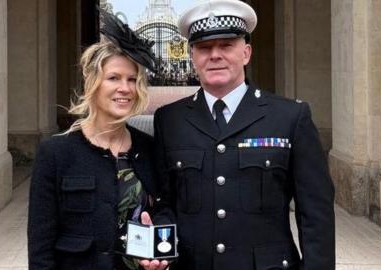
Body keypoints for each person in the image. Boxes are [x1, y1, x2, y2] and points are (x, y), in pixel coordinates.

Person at [140, 0, 335, 269]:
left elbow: (316, 213)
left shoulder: (289, 117)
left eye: (226, 45)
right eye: (205, 48)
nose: (215, 55)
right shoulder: (169, 120)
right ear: (192, 56)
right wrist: (161, 247)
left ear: (246, 53)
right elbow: (165, 202)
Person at [27, 10, 159, 270]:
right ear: (93, 83)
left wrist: (159, 255)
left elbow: (163, 212)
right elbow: (40, 247)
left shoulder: (149, 148)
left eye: (132, 80)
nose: (125, 88)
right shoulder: (55, 153)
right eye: (113, 78)